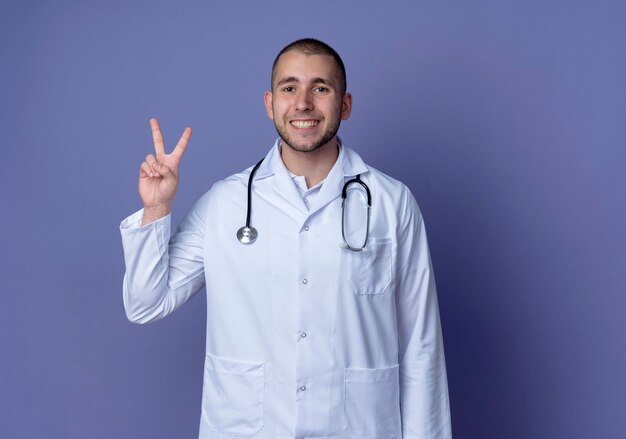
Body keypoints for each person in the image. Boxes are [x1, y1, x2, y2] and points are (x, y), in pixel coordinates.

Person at [120, 38, 451, 439]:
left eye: (321, 88)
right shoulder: (225, 203)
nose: (303, 103)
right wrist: (157, 209)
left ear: (344, 104)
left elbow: (421, 348)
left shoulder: (392, 203)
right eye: (289, 88)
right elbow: (146, 303)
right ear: (269, 103)